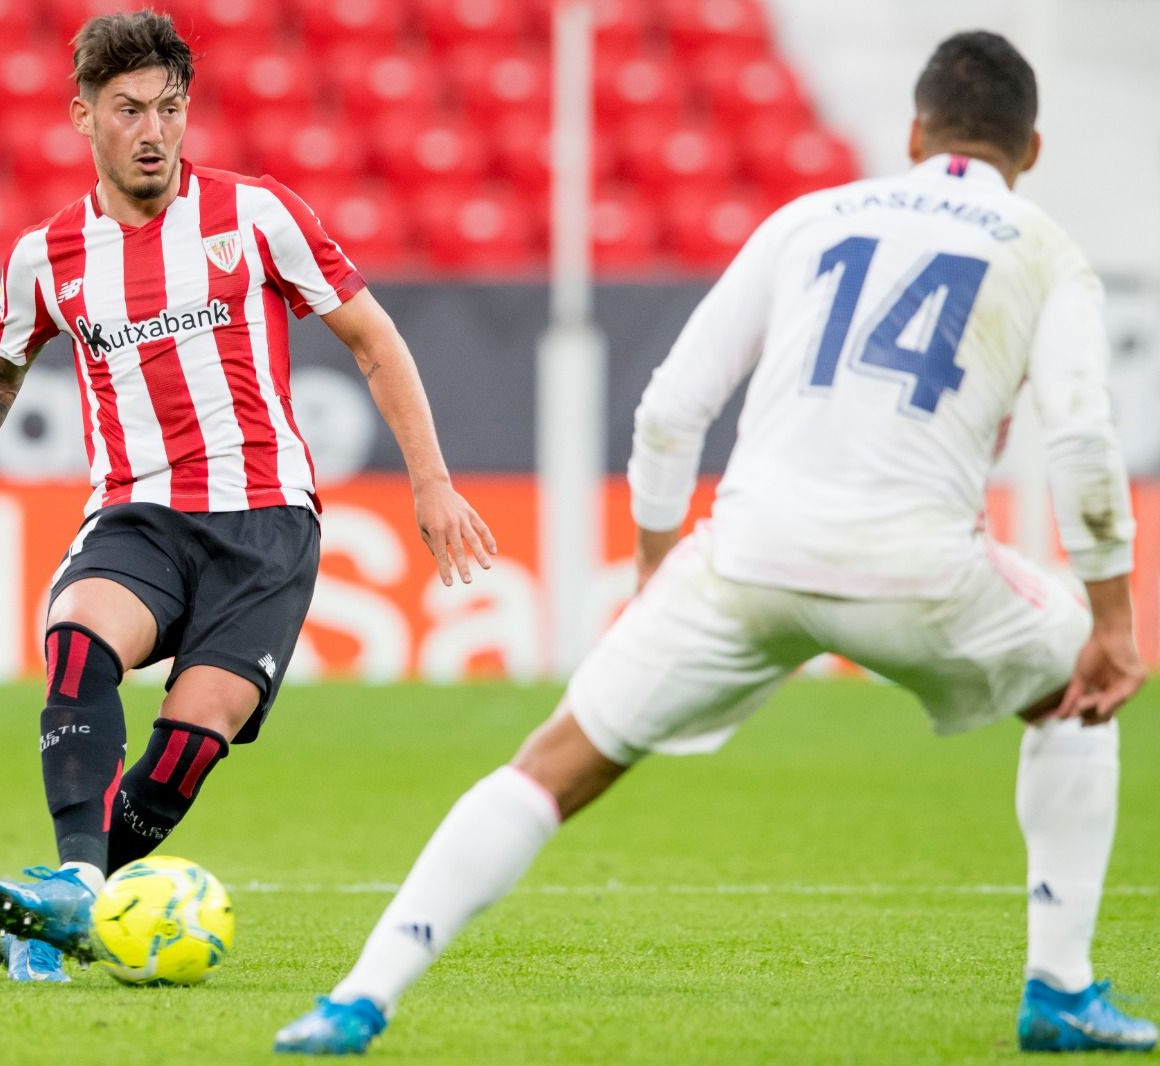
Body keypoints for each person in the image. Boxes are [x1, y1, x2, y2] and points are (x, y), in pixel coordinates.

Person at [275, 30, 1154, 1055]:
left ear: (913, 133)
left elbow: (668, 408)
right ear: (1030, 152)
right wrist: (1111, 619)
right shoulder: (1045, 250)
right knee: (1076, 698)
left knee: (550, 765)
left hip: (744, 558)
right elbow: (1085, 440)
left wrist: (656, 571)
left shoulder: (809, 218)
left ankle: (357, 998)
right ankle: (1058, 987)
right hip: (923, 567)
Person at [0, 9, 496, 983]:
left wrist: (433, 484)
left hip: (266, 527)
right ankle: (76, 883)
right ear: (83, 116)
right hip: (138, 515)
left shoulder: (256, 214)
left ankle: (51, 920)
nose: (153, 130)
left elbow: (373, 340)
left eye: (169, 107)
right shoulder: (49, 256)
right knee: (77, 642)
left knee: (183, 754)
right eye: (128, 110)